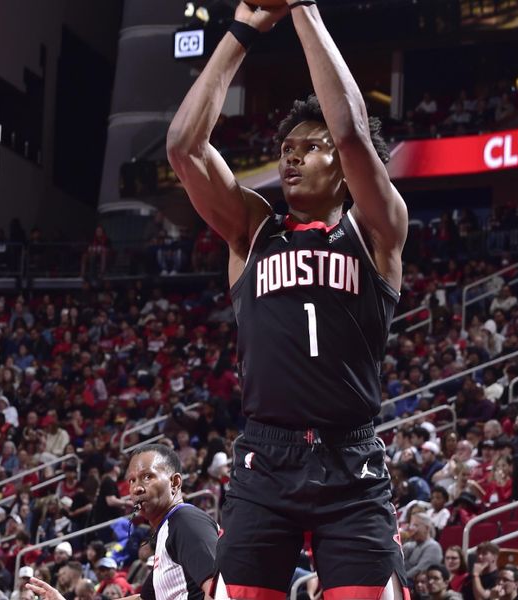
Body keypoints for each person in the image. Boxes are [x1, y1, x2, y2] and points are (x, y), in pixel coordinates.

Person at [166, 0, 409, 598]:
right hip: (264, 459)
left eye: (310, 146)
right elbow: (183, 147)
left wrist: (302, 9)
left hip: (351, 461)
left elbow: (352, 131)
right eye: (286, 147)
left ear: (350, 172)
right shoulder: (253, 229)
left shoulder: (376, 229)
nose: (291, 155)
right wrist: (246, 25)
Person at [26, 444, 218, 600]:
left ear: (175, 482)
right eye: (132, 481)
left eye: (147, 477)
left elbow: (220, 590)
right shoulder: (167, 531)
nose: (136, 488)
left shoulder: (187, 522)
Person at [403, 513, 444, 579]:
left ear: (427, 528)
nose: (412, 529)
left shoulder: (433, 547)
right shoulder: (411, 545)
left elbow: (420, 570)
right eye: (411, 525)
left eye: (415, 525)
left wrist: (400, 580)